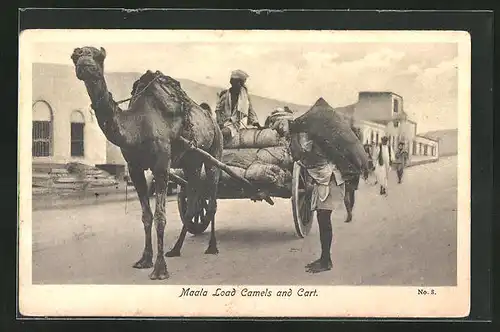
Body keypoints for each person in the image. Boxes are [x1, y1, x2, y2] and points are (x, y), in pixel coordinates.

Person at [290, 129, 345, 273]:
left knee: (324, 220)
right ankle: (325, 258)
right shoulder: (316, 142)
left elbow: (300, 156)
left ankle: (326, 261)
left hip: (329, 180)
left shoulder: (321, 143)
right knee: (323, 220)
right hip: (324, 181)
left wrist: (294, 136)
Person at [215, 70, 260, 141]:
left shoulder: (245, 97)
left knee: (223, 133)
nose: (237, 84)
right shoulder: (225, 95)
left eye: (239, 83)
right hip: (223, 122)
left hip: (236, 124)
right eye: (234, 82)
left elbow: (250, 111)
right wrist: (219, 121)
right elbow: (218, 109)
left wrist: (256, 123)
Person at [343, 126, 363, 223]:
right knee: (352, 192)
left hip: (346, 170)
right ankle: (350, 210)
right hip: (355, 171)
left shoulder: (344, 145)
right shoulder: (358, 146)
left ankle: (349, 211)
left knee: (346, 192)